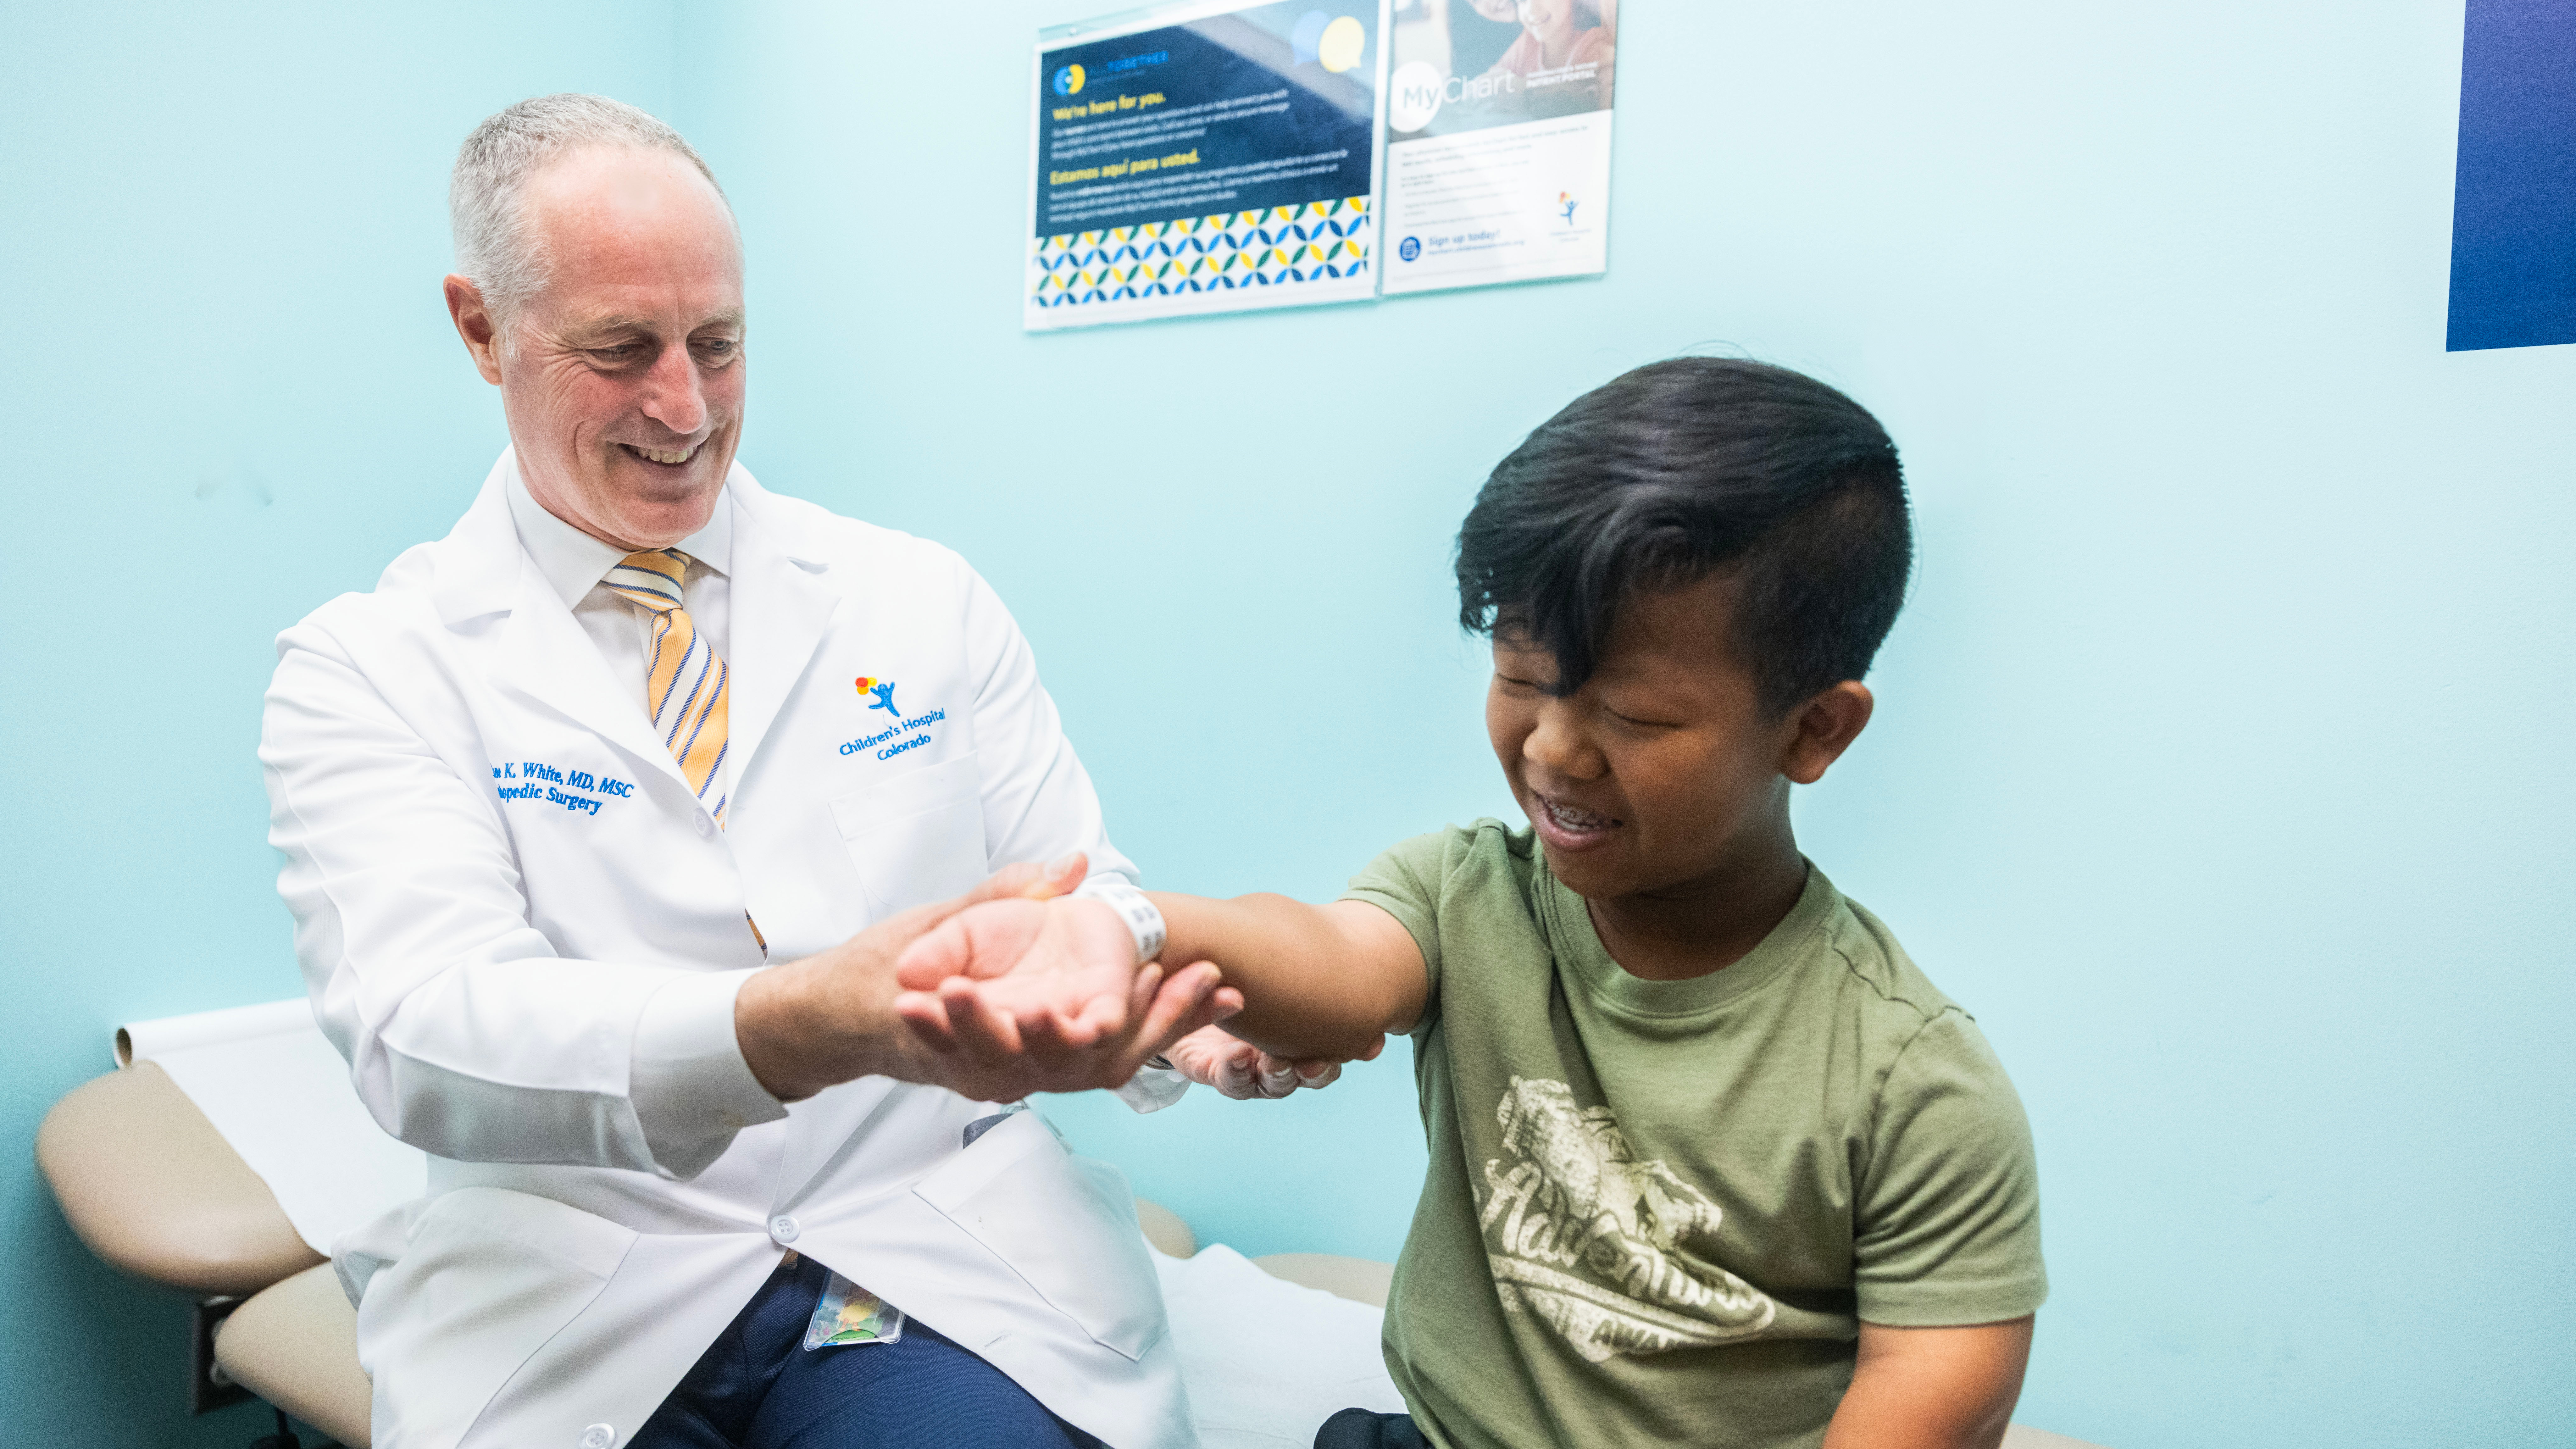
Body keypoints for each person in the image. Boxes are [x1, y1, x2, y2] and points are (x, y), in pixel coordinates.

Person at [258, 93, 1332, 1449]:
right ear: (482, 328)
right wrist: (795, 1021)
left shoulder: (916, 599)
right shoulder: (373, 665)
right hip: (587, 1286)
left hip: (926, 1241)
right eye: (620, 349)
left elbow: (1077, 891)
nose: (685, 406)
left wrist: (1169, 1016)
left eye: (718, 343)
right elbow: (431, 1031)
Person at [902, 359, 2048, 1449]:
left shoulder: (1913, 1083)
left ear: (1815, 730)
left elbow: (1933, 1394)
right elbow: (1332, 965)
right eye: (1521, 680)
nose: (1553, 751)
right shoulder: (1471, 894)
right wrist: (1136, 929)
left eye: (1636, 718)